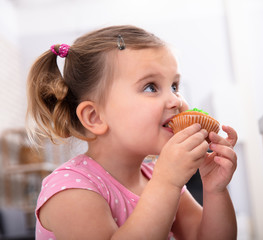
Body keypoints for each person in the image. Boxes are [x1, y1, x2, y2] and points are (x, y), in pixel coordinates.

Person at [26, 25, 238, 240]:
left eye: (174, 86)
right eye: (150, 87)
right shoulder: (70, 190)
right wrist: (166, 184)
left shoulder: (155, 176)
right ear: (95, 117)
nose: (176, 100)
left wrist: (214, 190)